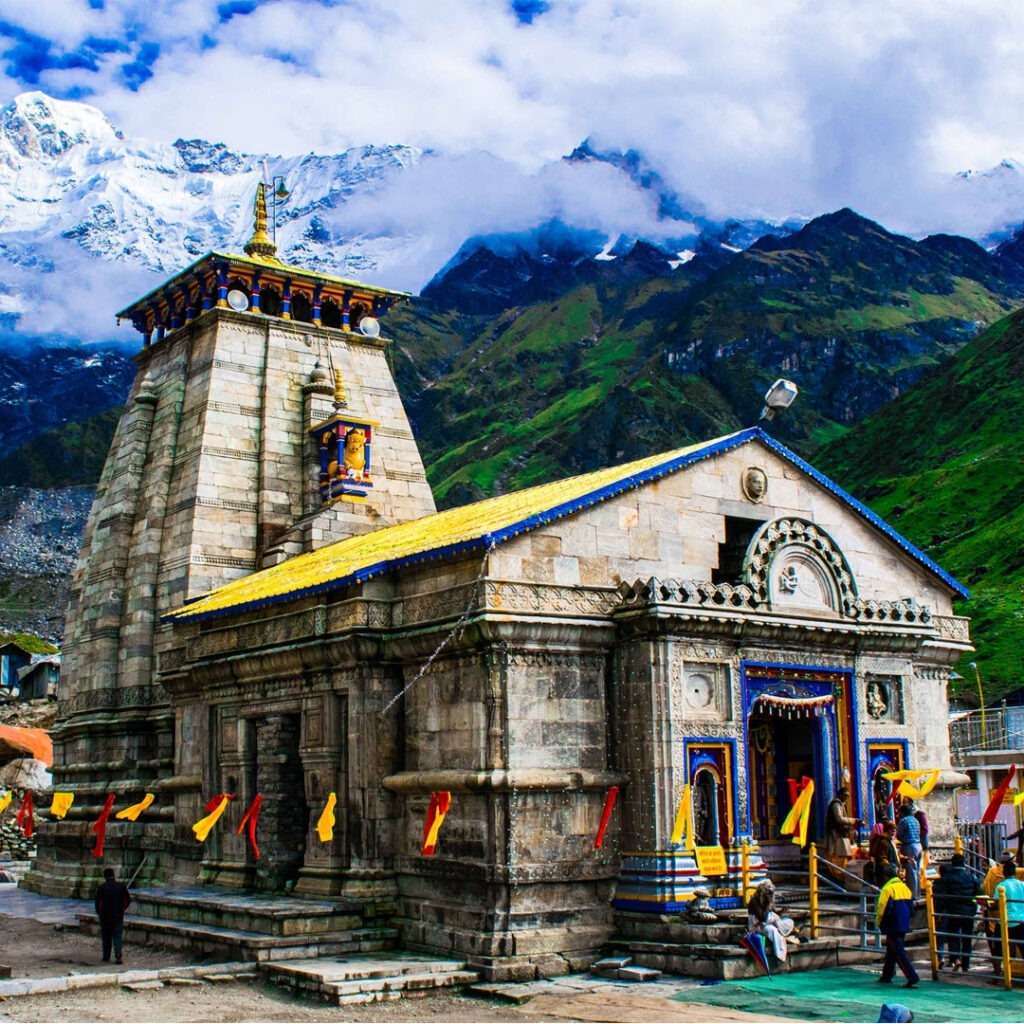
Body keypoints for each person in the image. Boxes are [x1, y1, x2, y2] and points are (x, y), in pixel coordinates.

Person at [932, 853, 980, 972]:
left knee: (953, 937)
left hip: (953, 911)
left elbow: (942, 897)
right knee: (967, 938)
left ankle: (955, 959)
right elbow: (979, 894)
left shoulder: (947, 878)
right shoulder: (972, 877)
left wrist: (939, 913)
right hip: (968, 912)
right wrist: (976, 908)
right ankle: (966, 964)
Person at [876, 861, 920, 988]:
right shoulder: (905, 888)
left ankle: (912, 976)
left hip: (892, 924)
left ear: (886, 876)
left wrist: (879, 923)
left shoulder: (887, 889)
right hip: (903, 923)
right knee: (892, 950)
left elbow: (882, 909)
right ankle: (887, 975)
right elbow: (911, 909)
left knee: (898, 951)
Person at [746, 879, 797, 961]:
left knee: (789, 922)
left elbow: (775, 913)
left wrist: (782, 911)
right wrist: (767, 904)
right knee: (772, 930)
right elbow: (763, 918)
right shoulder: (754, 901)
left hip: (771, 922)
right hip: (758, 926)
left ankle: (781, 934)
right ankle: (780, 954)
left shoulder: (768, 901)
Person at [981, 852, 1014, 972]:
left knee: (997, 949)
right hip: (1018, 919)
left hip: (997, 918)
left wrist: (987, 906)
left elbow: (985, 890)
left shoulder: (992, 873)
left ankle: (997, 974)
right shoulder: (1020, 881)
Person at [824, 785, 864, 880]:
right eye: (845, 795)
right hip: (836, 835)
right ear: (840, 794)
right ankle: (837, 877)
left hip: (841, 834)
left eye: (848, 796)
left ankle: (841, 877)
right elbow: (839, 818)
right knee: (837, 856)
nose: (846, 797)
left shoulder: (841, 805)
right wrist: (854, 820)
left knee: (843, 857)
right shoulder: (836, 804)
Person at [94, 867, 131, 964]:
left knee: (106, 937)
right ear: (113, 875)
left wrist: (100, 914)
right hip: (118, 915)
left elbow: (98, 904)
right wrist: (122, 909)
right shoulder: (121, 886)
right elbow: (127, 900)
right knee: (117, 936)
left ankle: (106, 956)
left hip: (105, 916)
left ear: (105, 877)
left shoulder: (101, 888)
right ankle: (118, 956)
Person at [993, 860, 1024, 964]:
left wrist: (988, 906)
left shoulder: (1001, 886)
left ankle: (996, 978)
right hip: (1021, 921)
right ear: (1015, 873)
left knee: (997, 950)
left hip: (1005, 922)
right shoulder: (1022, 884)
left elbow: (996, 905)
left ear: (1003, 873)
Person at [895, 803, 922, 899]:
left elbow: (899, 834)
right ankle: (918, 894)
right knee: (917, 871)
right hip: (918, 845)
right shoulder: (915, 821)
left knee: (911, 872)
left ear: (902, 813)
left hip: (909, 846)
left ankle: (912, 895)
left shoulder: (904, 821)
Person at [867, 819, 898, 888]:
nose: (894, 833)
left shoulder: (889, 841)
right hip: (885, 875)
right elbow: (882, 859)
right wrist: (891, 868)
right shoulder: (883, 842)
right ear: (888, 831)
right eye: (892, 831)